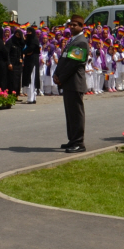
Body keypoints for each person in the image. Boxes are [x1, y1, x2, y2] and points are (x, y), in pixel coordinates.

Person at [53, 14, 89, 153]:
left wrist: (61, 77)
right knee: (70, 114)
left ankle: (79, 143)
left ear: (81, 27)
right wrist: (56, 74)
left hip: (75, 82)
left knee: (76, 114)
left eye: (75, 25)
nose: (72, 27)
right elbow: (64, 60)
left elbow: (74, 63)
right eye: (71, 24)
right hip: (68, 82)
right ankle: (72, 140)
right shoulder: (72, 41)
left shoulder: (81, 42)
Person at [23, 23, 41, 104]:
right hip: (29, 62)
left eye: (30, 32)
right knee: (31, 80)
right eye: (27, 32)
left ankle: (31, 98)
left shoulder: (34, 40)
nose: (28, 34)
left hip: (32, 63)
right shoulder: (29, 40)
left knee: (31, 79)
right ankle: (32, 98)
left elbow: (30, 50)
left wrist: (25, 52)